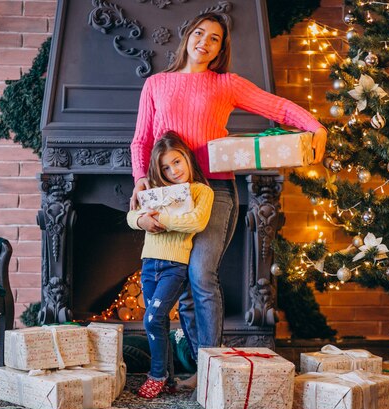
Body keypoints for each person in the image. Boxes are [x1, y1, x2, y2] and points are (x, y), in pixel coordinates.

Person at [129, 12, 328, 388]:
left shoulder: (226, 84)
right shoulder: (156, 84)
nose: (205, 41)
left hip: (216, 191)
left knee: (201, 275)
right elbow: (141, 140)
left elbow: (278, 108)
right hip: (170, 196)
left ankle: (211, 370)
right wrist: (141, 180)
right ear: (188, 35)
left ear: (221, 48)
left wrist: (316, 126)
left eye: (215, 38)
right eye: (200, 33)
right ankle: (195, 369)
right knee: (183, 287)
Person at [127, 131, 214, 399]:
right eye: (166, 167)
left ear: (187, 158)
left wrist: (161, 221)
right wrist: (142, 221)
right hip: (149, 262)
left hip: (175, 266)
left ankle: (157, 374)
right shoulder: (154, 192)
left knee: (151, 318)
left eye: (177, 162)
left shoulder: (202, 191)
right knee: (159, 321)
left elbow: (196, 222)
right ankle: (168, 377)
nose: (173, 170)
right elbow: (132, 215)